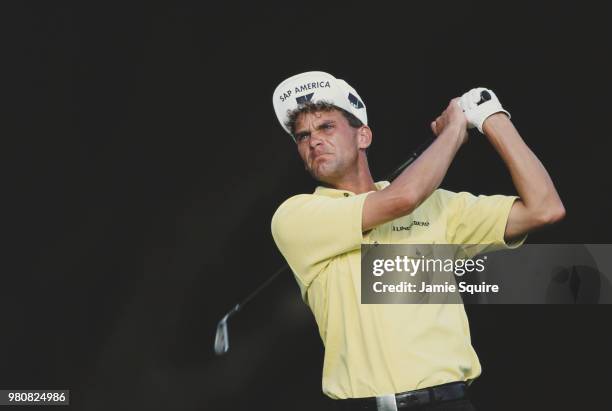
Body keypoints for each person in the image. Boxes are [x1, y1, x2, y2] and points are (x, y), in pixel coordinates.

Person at [270, 71, 565, 410]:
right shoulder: (295, 216)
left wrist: (490, 117)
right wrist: (454, 131)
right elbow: (402, 199)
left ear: (363, 136)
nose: (313, 141)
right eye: (302, 135)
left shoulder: (439, 206)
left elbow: (545, 208)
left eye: (326, 127)